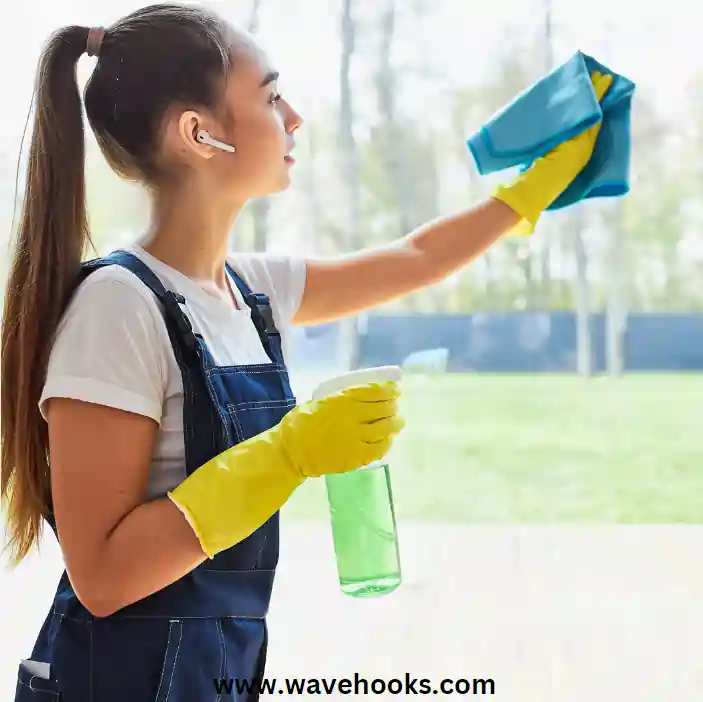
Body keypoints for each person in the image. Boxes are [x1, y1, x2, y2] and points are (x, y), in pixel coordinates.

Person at [0, 3, 612, 701]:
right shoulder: (119, 308)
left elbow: (411, 258)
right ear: (199, 134)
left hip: (217, 669)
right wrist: (287, 454)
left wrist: (527, 193)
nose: (293, 118)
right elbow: (103, 579)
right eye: (269, 97)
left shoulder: (246, 289)